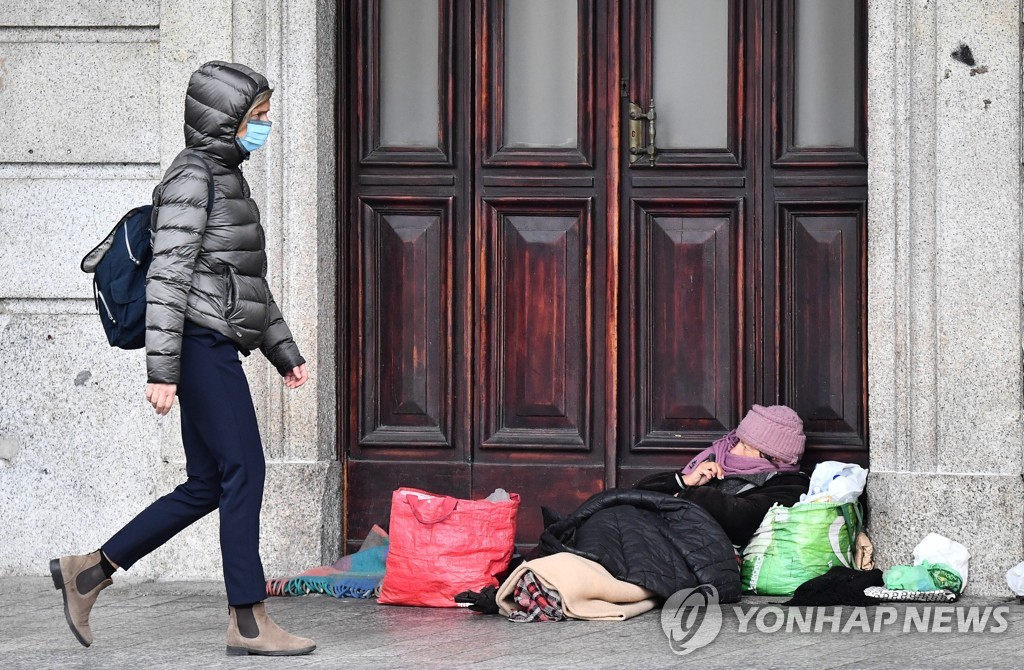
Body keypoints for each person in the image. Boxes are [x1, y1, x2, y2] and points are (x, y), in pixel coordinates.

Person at [50, 61, 315, 657]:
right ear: (226, 120)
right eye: (258, 117)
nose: (265, 126)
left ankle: (88, 573)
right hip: (197, 346)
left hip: (213, 341)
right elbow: (168, 278)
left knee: (206, 484)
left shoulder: (225, 176)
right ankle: (248, 620)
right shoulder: (193, 178)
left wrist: (283, 350)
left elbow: (242, 279)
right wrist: (162, 370)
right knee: (246, 468)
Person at [634, 404, 811, 545]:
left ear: (776, 458)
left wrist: (685, 495)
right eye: (739, 441)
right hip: (651, 532)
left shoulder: (788, 484)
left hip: (691, 549)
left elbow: (740, 516)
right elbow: (638, 493)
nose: (733, 450)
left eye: (746, 447)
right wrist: (684, 480)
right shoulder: (713, 457)